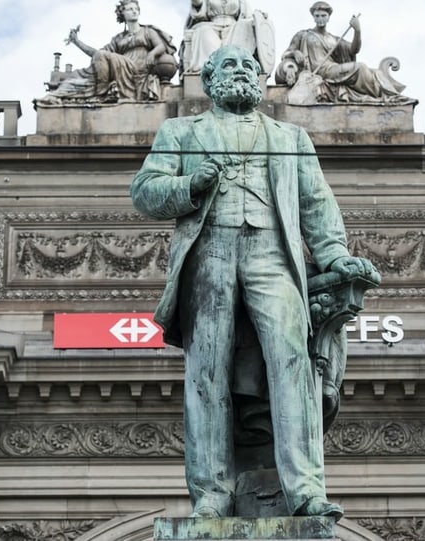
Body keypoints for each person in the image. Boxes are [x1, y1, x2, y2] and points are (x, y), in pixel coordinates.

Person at [131, 45, 374, 520]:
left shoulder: (291, 136)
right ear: (210, 79)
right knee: (207, 373)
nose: (241, 71)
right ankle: (211, 495)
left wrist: (336, 256)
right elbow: (144, 191)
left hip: (271, 254)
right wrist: (189, 186)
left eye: (249, 66)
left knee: (292, 361)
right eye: (230, 65)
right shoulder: (180, 132)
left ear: (260, 79)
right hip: (209, 255)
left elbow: (317, 205)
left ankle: (305, 489)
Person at [36, 0, 175, 105]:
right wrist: (77, 42)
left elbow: (161, 46)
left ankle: (100, 92)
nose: (134, 11)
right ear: (122, 14)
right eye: (130, 9)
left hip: (137, 67)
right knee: (79, 76)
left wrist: (152, 54)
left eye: (136, 9)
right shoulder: (119, 38)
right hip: (119, 68)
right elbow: (96, 54)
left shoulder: (147, 31)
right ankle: (60, 94)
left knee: (102, 56)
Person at [274, 1, 411, 104]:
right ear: (313, 17)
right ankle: (382, 95)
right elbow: (285, 54)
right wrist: (295, 53)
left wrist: (357, 31)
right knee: (360, 67)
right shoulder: (303, 35)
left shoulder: (334, 40)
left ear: (328, 17)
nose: (320, 18)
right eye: (317, 16)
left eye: (323, 15)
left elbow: (354, 50)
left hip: (333, 69)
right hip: (321, 72)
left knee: (376, 73)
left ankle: (388, 96)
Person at [181, 0, 275, 75]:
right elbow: (198, 9)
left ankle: (238, 65)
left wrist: (259, 17)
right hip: (212, 25)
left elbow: (248, 16)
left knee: (245, 25)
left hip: (233, 27)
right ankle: (208, 69)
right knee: (202, 31)